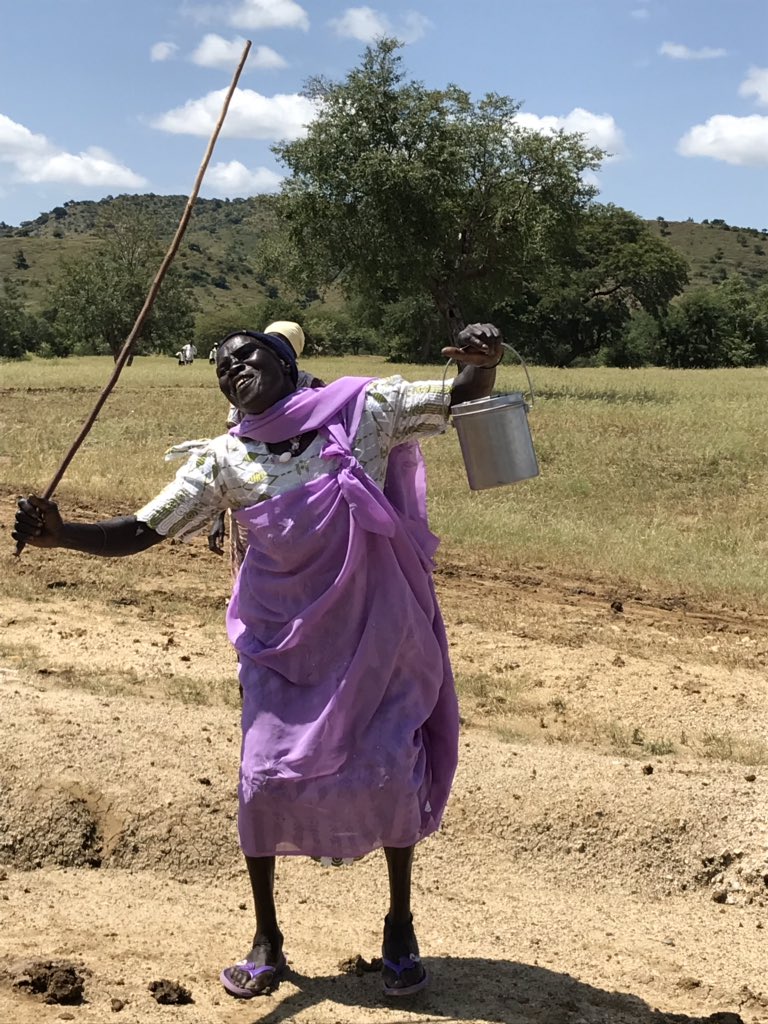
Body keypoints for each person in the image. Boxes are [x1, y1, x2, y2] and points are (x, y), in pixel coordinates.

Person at [13, 322, 503, 1001]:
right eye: (221, 367)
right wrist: (61, 535)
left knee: (389, 769)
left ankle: (399, 925)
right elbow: (140, 531)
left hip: (376, 633)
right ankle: (267, 937)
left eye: (246, 355)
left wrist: (484, 363)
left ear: (284, 360)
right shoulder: (224, 460)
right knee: (261, 782)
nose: (232, 368)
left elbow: (458, 397)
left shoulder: (364, 410)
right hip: (283, 644)